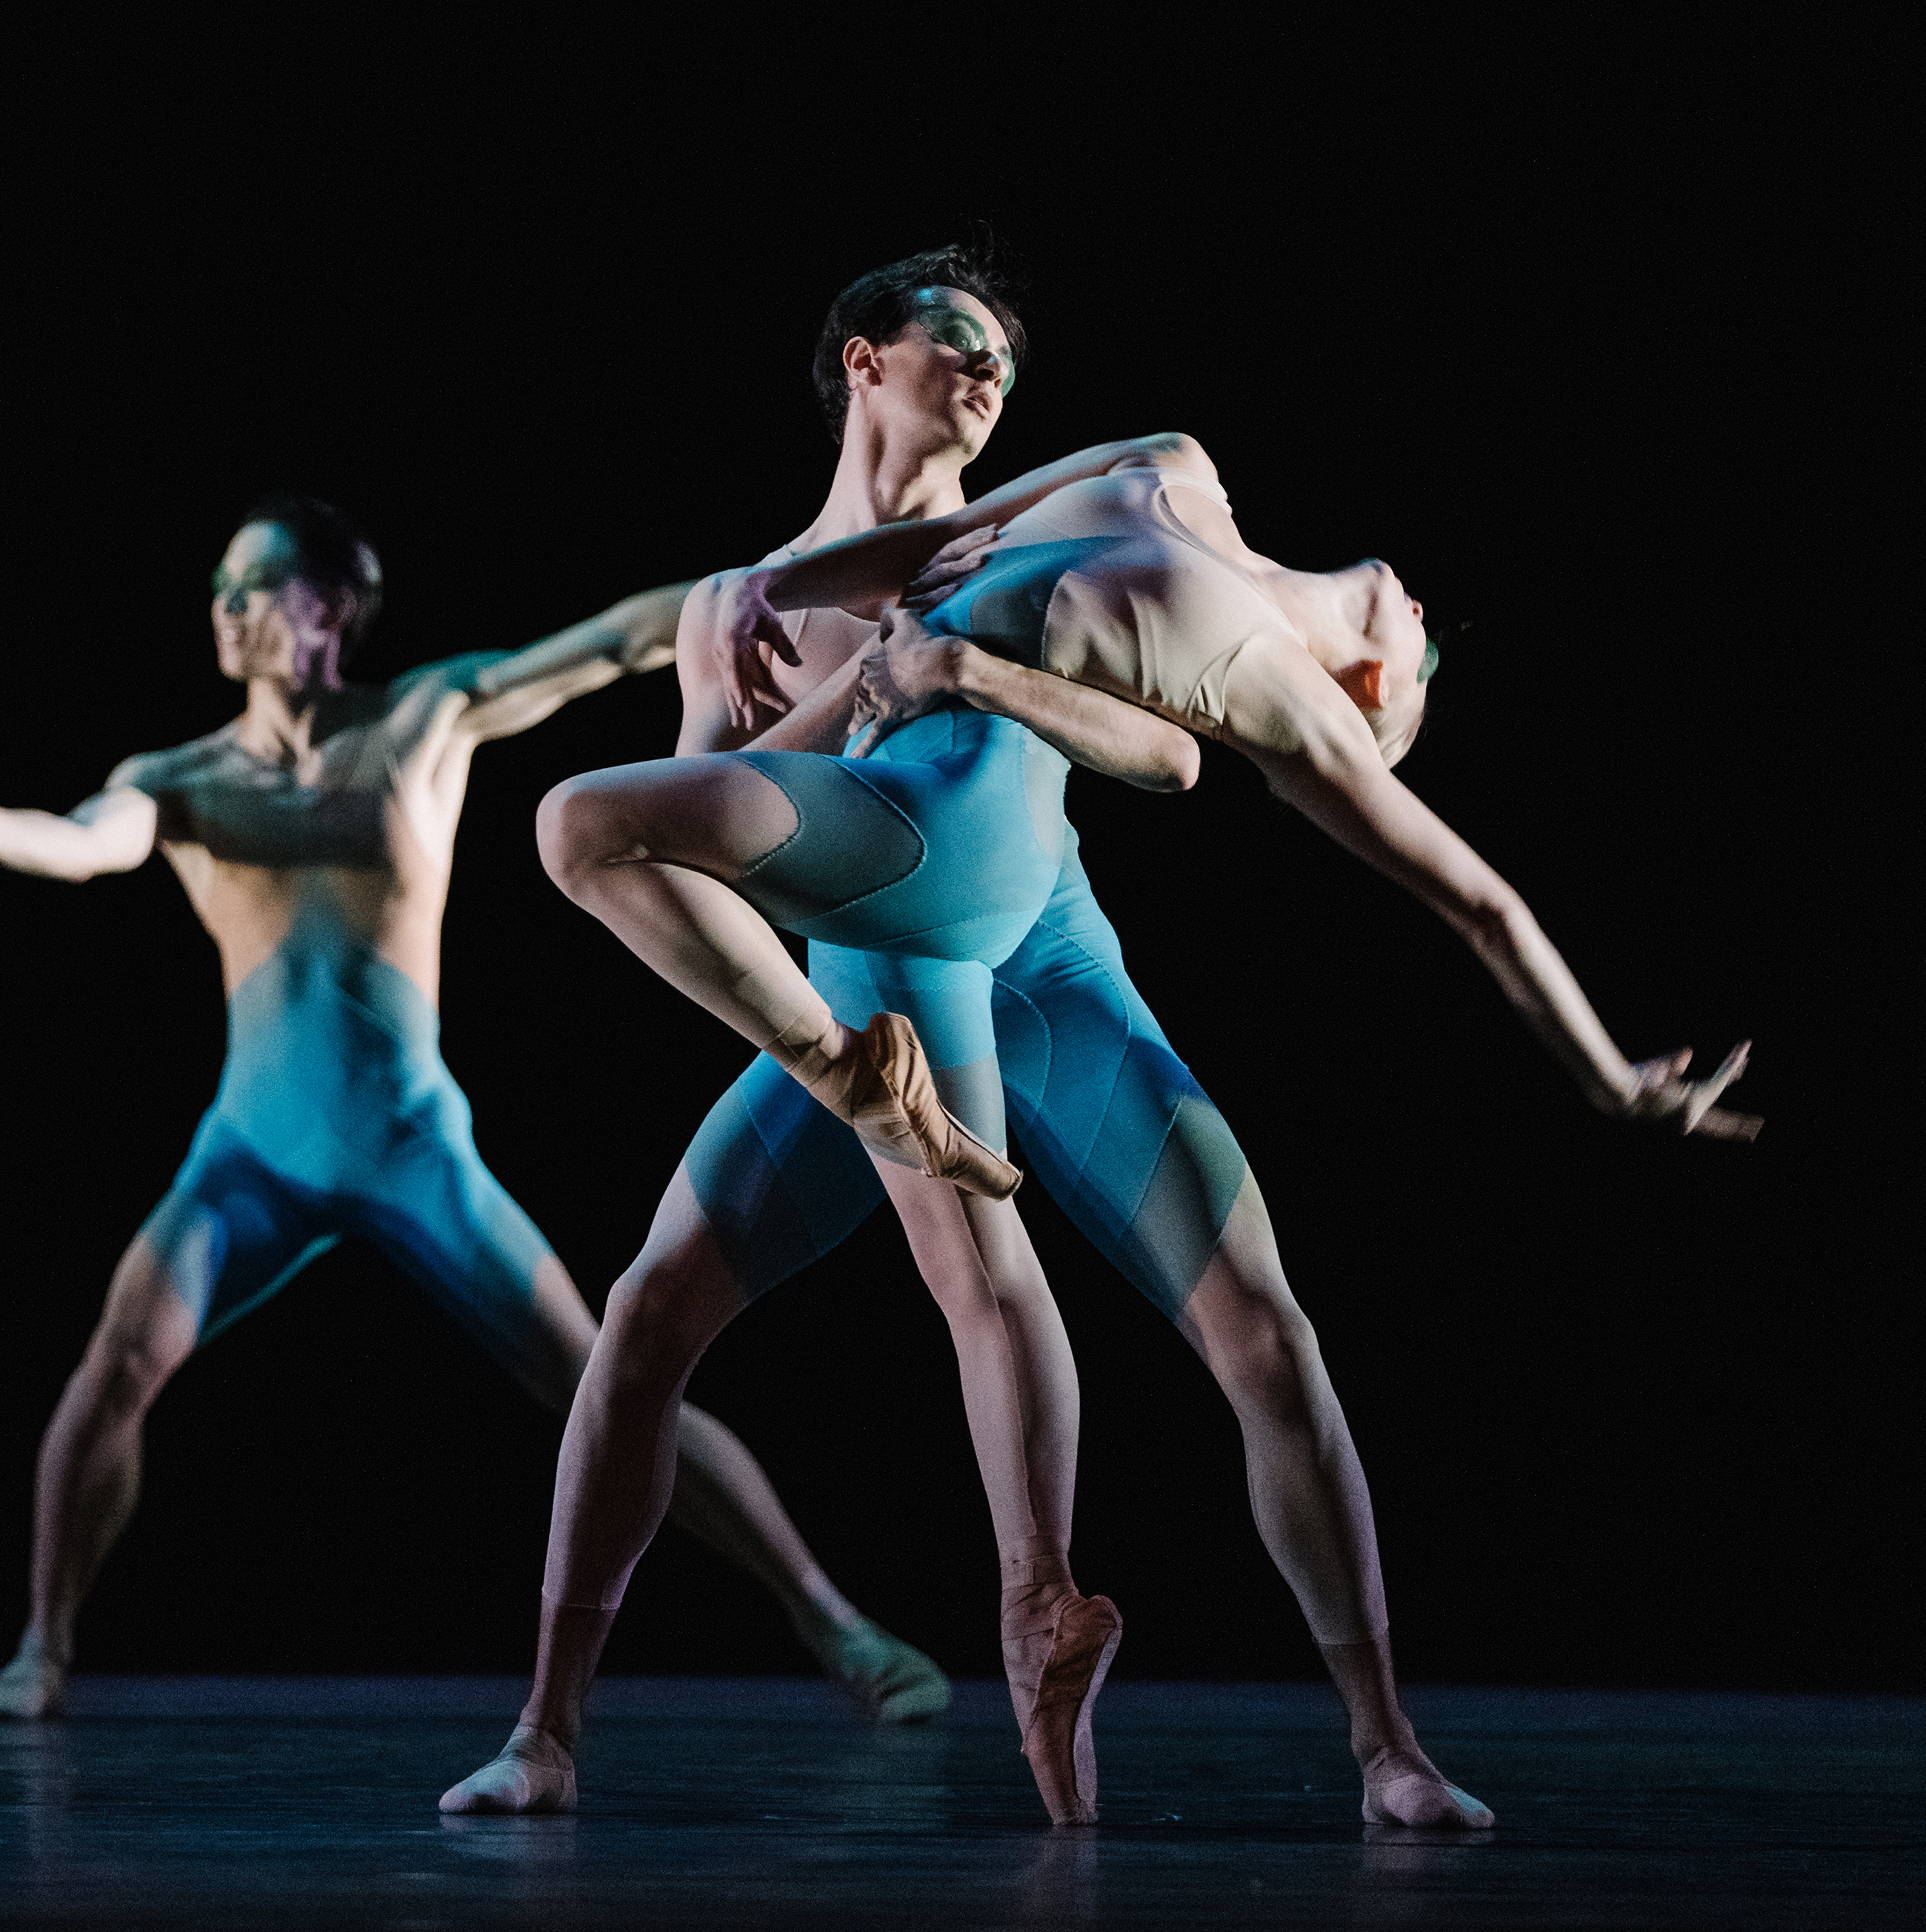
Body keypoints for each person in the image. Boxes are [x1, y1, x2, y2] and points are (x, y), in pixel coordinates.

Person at [448, 247, 1746, 1829]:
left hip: (1037, 951)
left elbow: (1176, 759)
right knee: (655, 1314)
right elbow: (726, 832)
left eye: (1002, 354)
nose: (986, 371)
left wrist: (1609, 1072)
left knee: (1236, 1325)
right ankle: (551, 1731)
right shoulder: (1091, 489)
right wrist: (785, 616)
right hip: (871, 972)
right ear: (863, 358)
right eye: (955, 340)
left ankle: (1378, 1743)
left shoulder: (1191, 616)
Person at [0, 497, 952, 1723]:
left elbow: (606, 642)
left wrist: (774, 592)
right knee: (117, 1362)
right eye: (221, 590)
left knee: (607, 1366)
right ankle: (43, 1648)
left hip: (410, 1145)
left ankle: (841, 1625)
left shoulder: (422, 718)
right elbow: (85, 841)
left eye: (252, 586)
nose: (226, 610)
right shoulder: (175, 779)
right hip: (252, 1156)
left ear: (326, 605)